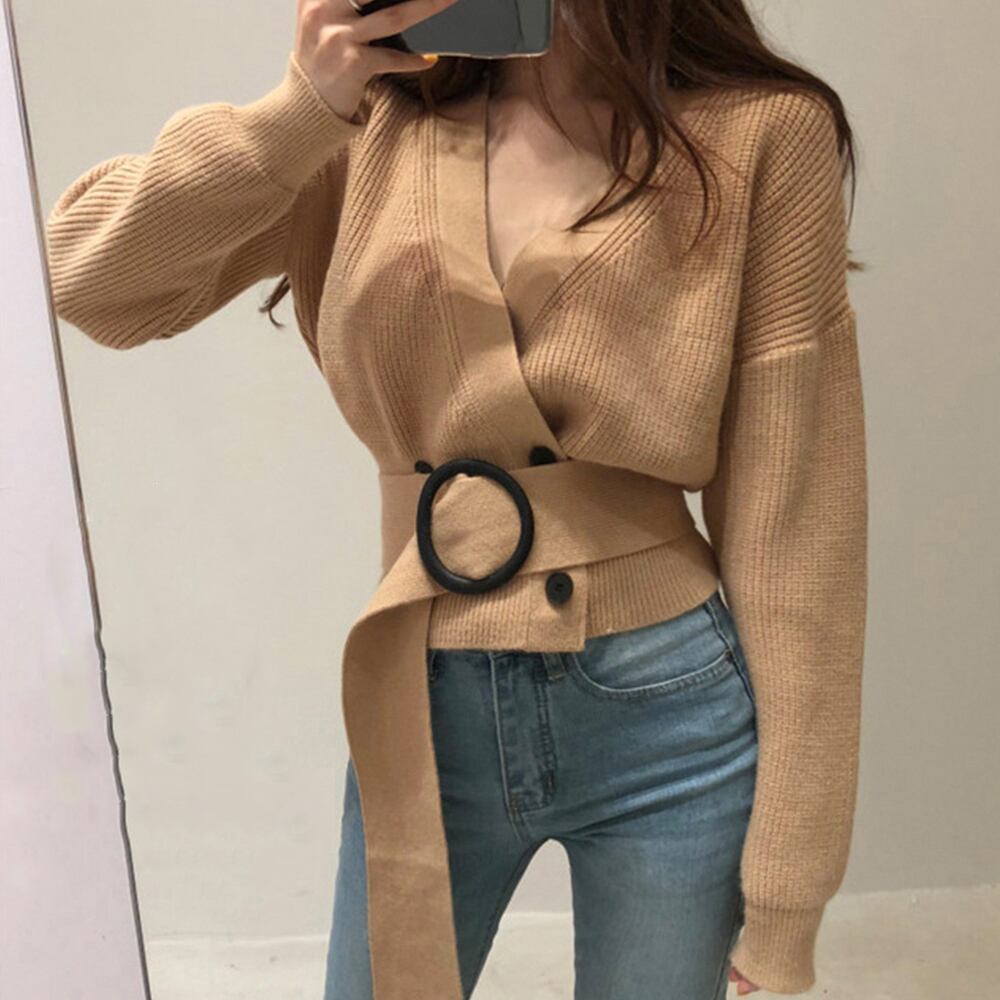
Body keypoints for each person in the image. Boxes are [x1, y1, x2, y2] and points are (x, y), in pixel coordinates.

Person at [44, 0, 868, 997]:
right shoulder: (370, 123)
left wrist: (788, 888)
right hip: (422, 702)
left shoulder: (760, 132)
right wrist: (300, 111)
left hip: (668, 715)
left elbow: (797, 523)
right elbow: (83, 279)